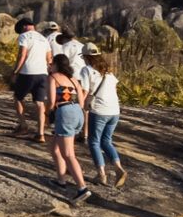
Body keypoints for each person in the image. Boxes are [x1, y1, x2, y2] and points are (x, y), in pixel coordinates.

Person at [48, 53, 92, 203]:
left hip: (65, 113)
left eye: (51, 64)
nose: (50, 66)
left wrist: (49, 114)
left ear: (56, 65)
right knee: (55, 147)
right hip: (78, 114)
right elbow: (81, 101)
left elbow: (52, 101)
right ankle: (61, 180)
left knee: (68, 154)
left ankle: (82, 188)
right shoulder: (74, 80)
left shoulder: (53, 78)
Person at [81, 47, 128, 188]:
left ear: (87, 57)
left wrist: (82, 106)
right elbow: (115, 90)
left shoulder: (86, 70)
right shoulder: (108, 71)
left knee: (94, 142)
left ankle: (101, 174)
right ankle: (119, 169)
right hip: (114, 110)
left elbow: (84, 90)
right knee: (106, 141)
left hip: (99, 111)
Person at [11, 17, 52, 142]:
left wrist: (16, 70)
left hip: (27, 72)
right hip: (42, 73)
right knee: (39, 103)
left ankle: (23, 126)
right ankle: (40, 134)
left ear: (23, 27)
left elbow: (23, 54)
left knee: (18, 98)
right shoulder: (44, 39)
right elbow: (49, 58)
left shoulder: (25, 36)